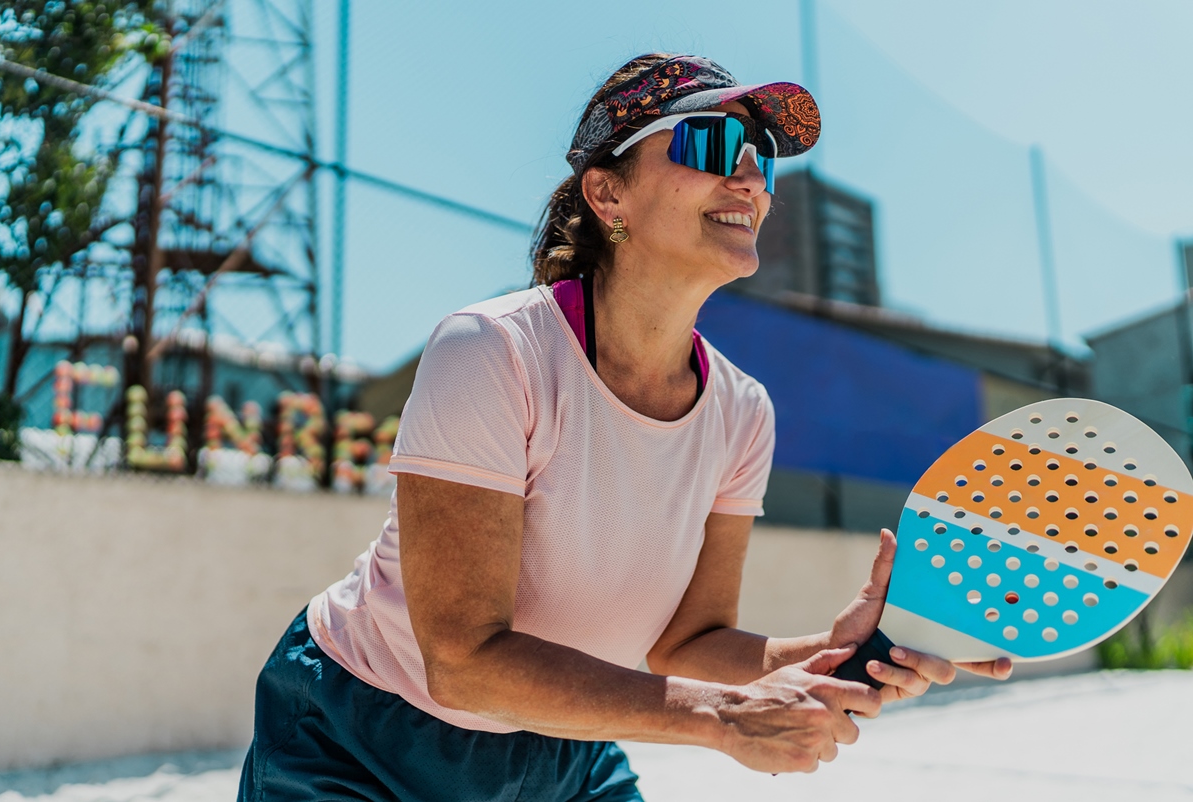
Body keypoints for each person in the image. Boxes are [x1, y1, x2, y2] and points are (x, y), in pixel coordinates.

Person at [237, 53, 1012, 802]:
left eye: (761, 157)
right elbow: (463, 663)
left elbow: (686, 642)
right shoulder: (493, 349)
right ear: (608, 196)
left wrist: (836, 649)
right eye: (709, 143)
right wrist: (718, 717)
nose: (747, 175)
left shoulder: (743, 412)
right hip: (357, 735)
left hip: (566, 738)